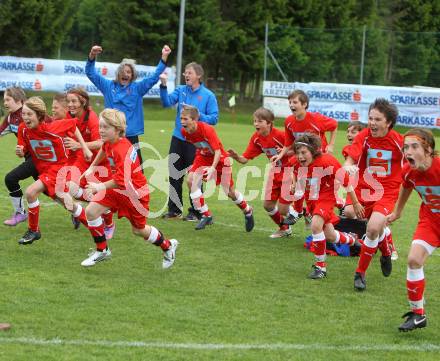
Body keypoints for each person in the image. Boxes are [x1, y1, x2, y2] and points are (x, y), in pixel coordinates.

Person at [79, 109, 178, 268]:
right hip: (117, 190)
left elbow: (121, 180)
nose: (101, 130)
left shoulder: (122, 149)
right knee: (91, 212)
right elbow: (104, 149)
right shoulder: (111, 142)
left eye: (105, 127)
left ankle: (167, 246)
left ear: (117, 129)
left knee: (139, 230)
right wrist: (92, 167)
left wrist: (98, 186)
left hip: (134, 195)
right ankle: (102, 250)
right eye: (100, 126)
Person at [342, 98, 404, 291]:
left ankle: (360, 273)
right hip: (364, 189)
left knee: (372, 228)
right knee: (350, 213)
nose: (372, 123)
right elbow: (351, 159)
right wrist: (349, 167)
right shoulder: (364, 136)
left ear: (388, 123)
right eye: (370, 118)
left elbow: (413, 162)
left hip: (387, 191)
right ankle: (385, 251)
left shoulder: (398, 141)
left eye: (377, 119)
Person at [15, 97, 92, 245]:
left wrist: (85, 148)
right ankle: (95, 225)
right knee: (66, 203)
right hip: (44, 169)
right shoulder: (23, 129)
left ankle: (34, 230)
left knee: (31, 192)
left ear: (39, 115)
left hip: (58, 169)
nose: (25, 117)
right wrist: (20, 151)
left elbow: (73, 125)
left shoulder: (53, 126)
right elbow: (22, 148)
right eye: (23, 114)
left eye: (29, 114)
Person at [387, 128, 439, 332]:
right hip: (431, 221)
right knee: (414, 260)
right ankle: (418, 314)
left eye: (414, 146)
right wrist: (397, 212)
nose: (408, 151)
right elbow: (407, 186)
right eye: (405, 147)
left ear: (428, 149)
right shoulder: (409, 171)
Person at [291, 133, 363, 279]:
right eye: (298, 152)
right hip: (312, 200)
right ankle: (354, 241)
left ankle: (320, 268)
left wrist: (355, 203)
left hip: (326, 197)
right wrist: (294, 184)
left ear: (314, 151)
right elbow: (295, 172)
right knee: (330, 236)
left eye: (303, 152)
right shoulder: (297, 162)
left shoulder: (327, 161)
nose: (300, 156)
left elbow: (346, 181)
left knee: (315, 226)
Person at [85, 44, 171, 165]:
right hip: (113, 137)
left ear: (132, 76)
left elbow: (154, 77)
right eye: (123, 71)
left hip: (131, 137)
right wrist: (92, 55)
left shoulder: (137, 88)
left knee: (137, 170)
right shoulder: (108, 86)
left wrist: (164, 57)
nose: (126, 74)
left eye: (129, 72)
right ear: (118, 73)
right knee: (113, 169)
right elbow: (90, 73)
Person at [159, 63, 219, 221]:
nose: (186, 75)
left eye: (189, 73)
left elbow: (214, 118)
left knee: (195, 177)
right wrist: (163, 86)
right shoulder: (180, 90)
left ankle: (197, 211)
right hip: (178, 138)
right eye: (185, 73)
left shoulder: (208, 95)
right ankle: (174, 210)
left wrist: (198, 115)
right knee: (174, 175)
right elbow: (166, 103)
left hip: (196, 142)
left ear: (198, 76)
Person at [180, 105, 254, 232]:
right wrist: (194, 165)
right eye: (181, 118)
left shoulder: (207, 129)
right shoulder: (184, 132)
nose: (182, 122)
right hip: (202, 157)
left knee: (229, 192)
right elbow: (199, 146)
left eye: (185, 119)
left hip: (219, 159)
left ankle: (247, 210)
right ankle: (206, 215)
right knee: (190, 180)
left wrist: (212, 168)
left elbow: (217, 151)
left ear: (194, 119)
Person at [273, 89, 338, 226]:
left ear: (304, 104)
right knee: (295, 176)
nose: (291, 104)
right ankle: (300, 211)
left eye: (295, 102)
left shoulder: (316, 119)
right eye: (290, 102)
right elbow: (288, 143)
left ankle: (334, 208)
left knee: (318, 190)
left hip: (318, 159)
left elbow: (334, 125)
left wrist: (330, 145)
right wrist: (281, 155)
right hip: (302, 158)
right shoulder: (289, 121)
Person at [228, 107, 293, 238]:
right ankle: (284, 228)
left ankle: (305, 212)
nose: (256, 124)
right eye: (254, 121)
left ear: (269, 123)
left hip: (289, 171)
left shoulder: (280, 135)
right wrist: (235, 156)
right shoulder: (256, 138)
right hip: (275, 172)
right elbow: (245, 159)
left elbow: (299, 151)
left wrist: (286, 152)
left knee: (283, 209)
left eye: (259, 121)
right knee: (268, 205)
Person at [63, 87, 115, 238]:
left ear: (83, 102)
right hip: (82, 159)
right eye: (68, 101)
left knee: (101, 193)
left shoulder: (92, 118)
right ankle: (84, 208)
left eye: (74, 101)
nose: (70, 105)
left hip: (99, 162)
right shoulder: (68, 115)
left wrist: (79, 145)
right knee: (70, 188)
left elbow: (101, 143)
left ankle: (109, 223)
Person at [1, 87, 35, 226]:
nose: (5, 103)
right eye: (4, 100)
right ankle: (75, 211)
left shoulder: (31, 113)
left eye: (8, 99)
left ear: (19, 100)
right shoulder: (10, 118)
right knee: (50, 191)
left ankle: (20, 213)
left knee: (11, 178)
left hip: (41, 159)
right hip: (31, 159)